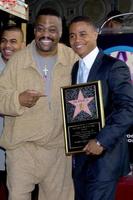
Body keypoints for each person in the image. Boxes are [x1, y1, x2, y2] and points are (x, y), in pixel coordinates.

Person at [0, 8, 78, 200]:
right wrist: (17, 100)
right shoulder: (17, 61)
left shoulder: (72, 60)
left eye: (52, 29)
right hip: (22, 149)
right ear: (34, 31)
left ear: (61, 33)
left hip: (58, 151)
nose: (46, 34)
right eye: (41, 28)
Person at [69, 16, 133, 200]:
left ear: (96, 34)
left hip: (106, 158)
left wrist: (100, 141)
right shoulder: (75, 68)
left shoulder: (114, 66)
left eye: (83, 34)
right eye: (72, 36)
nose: (77, 40)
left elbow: (128, 108)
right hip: (81, 158)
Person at [0, 25, 24, 193]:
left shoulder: (31, 68)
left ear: (23, 45)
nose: (7, 46)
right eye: (3, 41)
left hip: (21, 153)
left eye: (13, 42)